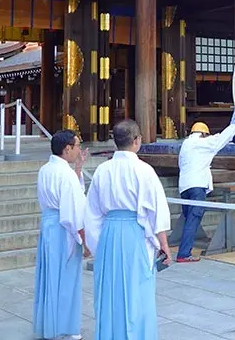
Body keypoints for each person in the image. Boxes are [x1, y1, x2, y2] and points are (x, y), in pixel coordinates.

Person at [85, 119, 170, 339]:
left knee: (110, 290)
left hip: (109, 233)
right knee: (137, 290)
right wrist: (164, 244)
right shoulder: (144, 170)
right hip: (135, 232)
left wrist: (95, 244)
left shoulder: (103, 171)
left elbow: (92, 212)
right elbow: (156, 210)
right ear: (136, 141)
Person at [34, 130, 89, 340]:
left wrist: (78, 167)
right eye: (76, 146)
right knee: (66, 279)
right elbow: (73, 209)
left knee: (50, 277)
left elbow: (66, 193)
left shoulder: (46, 169)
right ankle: (64, 329)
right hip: (63, 227)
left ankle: (49, 324)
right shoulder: (64, 174)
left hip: (49, 226)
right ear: (67, 149)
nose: (78, 150)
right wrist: (84, 240)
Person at [176, 120, 235, 263]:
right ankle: (183, 254)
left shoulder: (186, 144)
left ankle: (185, 249)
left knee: (189, 220)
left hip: (184, 187)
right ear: (204, 134)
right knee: (193, 220)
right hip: (197, 187)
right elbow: (221, 139)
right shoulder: (203, 143)